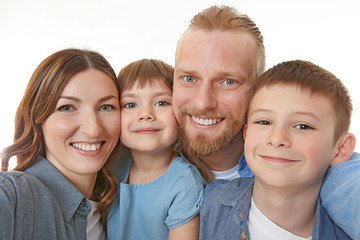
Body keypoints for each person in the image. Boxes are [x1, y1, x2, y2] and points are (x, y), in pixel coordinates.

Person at [172, 5, 360, 239]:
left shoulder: (330, 172)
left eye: (228, 82)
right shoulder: (139, 153)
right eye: (189, 78)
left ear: (258, 91)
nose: (202, 102)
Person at [200, 60, 355, 240]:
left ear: (341, 149)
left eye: (303, 126)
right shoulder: (213, 202)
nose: (277, 139)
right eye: (264, 122)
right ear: (247, 133)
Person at [0, 48, 121, 240]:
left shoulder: (116, 213)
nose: (93, 129)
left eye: (106, 107)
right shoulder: (12, 194)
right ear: (38, 121)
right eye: (67, 107)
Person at [107, 59, 205, 240]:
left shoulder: (184, 183)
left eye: (161, 103)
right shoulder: (112, 166)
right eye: (130, 105)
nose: (145, 114)